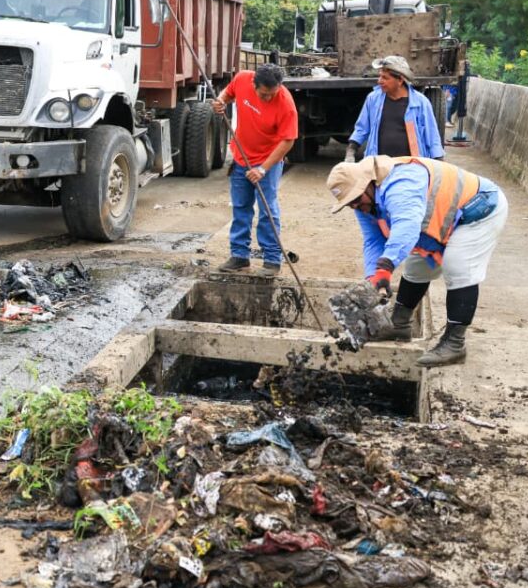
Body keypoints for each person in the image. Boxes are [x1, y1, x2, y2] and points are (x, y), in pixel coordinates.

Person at [326, 154, 508, 366]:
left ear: (367, 184)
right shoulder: (365, 202)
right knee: (416, 266)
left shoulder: (400, 183)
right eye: (350, 204)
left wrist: (386, 267)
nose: (356, 207)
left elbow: (407, 226)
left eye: (356, 200)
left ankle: (455, 344)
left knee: (458, 268)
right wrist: (374, 279)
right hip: (445, 218)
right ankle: (400, 324)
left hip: (478, 208)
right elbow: (373, 241)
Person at [211, 63, 299, 276]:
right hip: (241, 157)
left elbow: (288, 141)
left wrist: (263, 169)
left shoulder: (286, 103)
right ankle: (240, 256)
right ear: (254, 83)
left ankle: (271, 260)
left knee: (267, 210)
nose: (268, 98)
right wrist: (221, 102)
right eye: (264, 94)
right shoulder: (242, 79)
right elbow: (228, 93)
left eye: (272, 94)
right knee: (241, 207)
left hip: (267, 162)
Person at [345, 56, 443, 162]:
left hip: (410, 168)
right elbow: (361, 129)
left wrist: (439, 162)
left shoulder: (420, 103)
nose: (379, 81)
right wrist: (350, 151)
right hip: (379, 167)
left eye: (385, 78)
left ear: (400, 80)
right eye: (380, 76)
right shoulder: (373, 99)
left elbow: (432, 137)